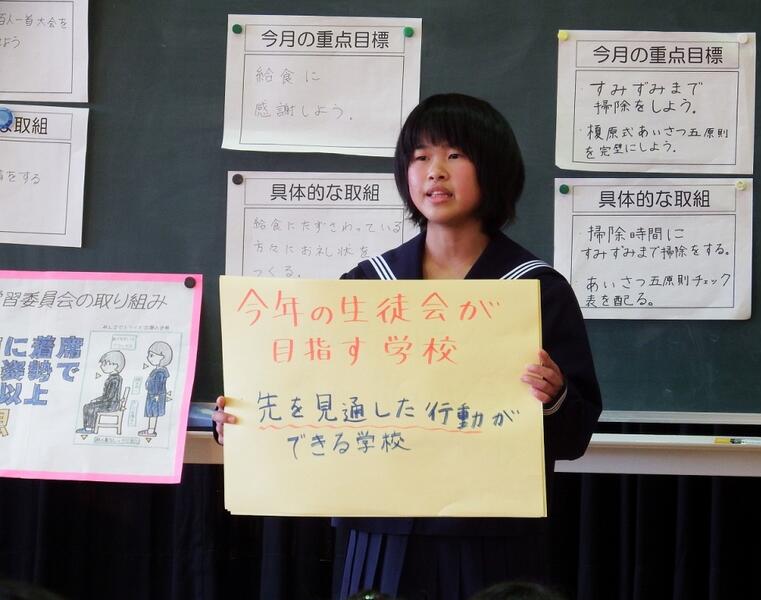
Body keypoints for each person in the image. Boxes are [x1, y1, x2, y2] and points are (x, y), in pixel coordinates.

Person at [213, 93, 602, 600]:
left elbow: (575, 436)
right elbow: (315, 395)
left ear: (494, 169)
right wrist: (247, 424)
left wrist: (554, 398)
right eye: (420, 157)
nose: (435, 171)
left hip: (490, 534)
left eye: (455, 155)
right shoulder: (366, 286)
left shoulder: (534, 289)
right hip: (381, 531)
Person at [76, 350, 125, 434]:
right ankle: (88, 427)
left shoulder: (115, 379)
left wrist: (97, 400)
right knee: (87, 406)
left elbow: (109, 396)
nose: (102, 366)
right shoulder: (112, 378)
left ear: (115, 365)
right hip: (108, 403)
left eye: (105, 364)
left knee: (91, 407)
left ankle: (90, 428)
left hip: (111, 405)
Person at [139, 341, 173, 437]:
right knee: (152, 414)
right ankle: (150, 430)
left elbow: (157, 386)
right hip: (153, 396)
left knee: (153, 413)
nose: (148, 357)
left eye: (151, 355)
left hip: (155, 396)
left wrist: (152, 390)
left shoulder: (160, 372)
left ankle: (151, 431)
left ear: (162, 357)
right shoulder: (157, 371)